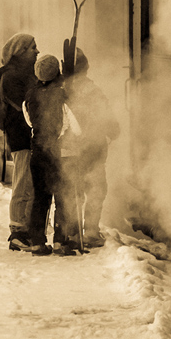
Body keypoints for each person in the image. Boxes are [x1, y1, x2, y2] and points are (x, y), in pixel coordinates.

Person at [24, 54, 82, 256]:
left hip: (37, 151)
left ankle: (37, 242)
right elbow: (76, 127)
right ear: (57, 73)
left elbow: (30, 123)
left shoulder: (30, 95)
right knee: (64, 196)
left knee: (40, 198)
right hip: (59, 153)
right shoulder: (63, 95)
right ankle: (61, 241)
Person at [63, 49, 120, 248]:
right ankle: (91, 231)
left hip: (69, 150)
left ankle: (72, 230)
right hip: (93, 149)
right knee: (96, 190)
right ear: (85, 67)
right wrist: (114, 131)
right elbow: (105, 116)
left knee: (74, 190)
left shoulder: (61, 88)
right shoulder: (90, 89)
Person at [0, 33, 41, 252]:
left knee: (31, 184)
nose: (37, 51)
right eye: (33, 48)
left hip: (31, 137)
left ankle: (27, 229)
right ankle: (17, 231)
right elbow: (23, 106)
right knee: (22, 183)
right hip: (21, 136)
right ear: (20, 52)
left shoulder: (26, 73)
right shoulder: (11, 77)